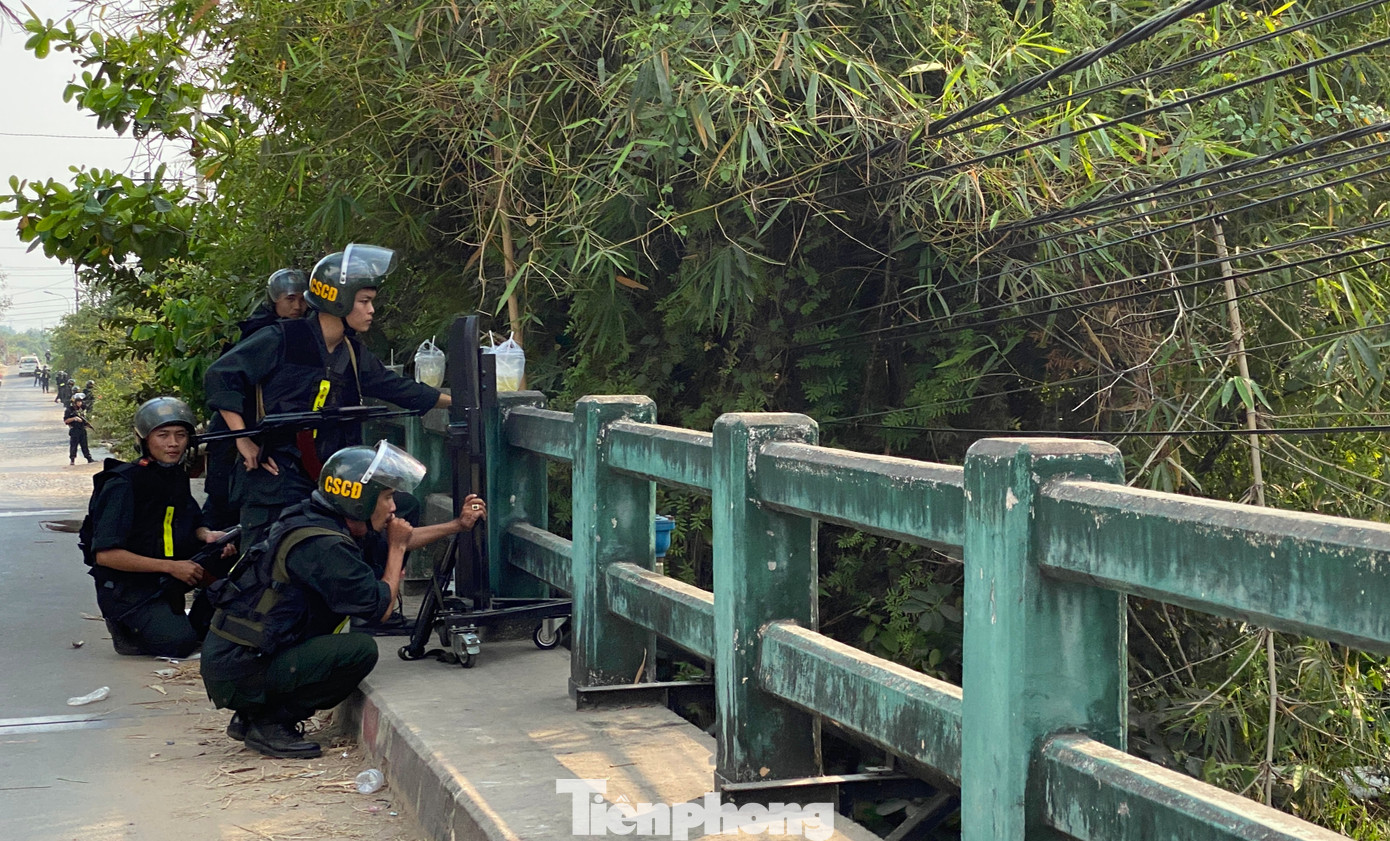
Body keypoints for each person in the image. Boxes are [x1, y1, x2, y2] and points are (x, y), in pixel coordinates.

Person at [201, 441, 486, 758]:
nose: (393, 507)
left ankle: (251, 713)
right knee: (357, 651)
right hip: (240, 668)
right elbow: (381, 608)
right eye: (386, 497)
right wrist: (396, 552)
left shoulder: (322, 519)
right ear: (359, 500)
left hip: (240, 657)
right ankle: (270, 722)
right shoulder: (325, 547)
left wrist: (457, 526)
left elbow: (400, 538)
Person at [204, 244, 451, 547]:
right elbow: (221, 375)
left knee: (397, 510)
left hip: (324, 475)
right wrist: (243, 438)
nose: (371, 310)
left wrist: (454, 401)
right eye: (364, 301)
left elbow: (393, 386)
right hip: (274, 472)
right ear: (340, 302)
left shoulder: (351, 351)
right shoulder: (282, 337)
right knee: (266, 563)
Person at [86, 398, 233, 657]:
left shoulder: (173, 475)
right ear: (143, 439)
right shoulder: (122, 484)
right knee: (179, 645)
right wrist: (171, 567)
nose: (173, 443)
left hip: (167, 577)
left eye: (181, 435)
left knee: (228, 559)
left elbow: (191, 521)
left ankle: (179, 619)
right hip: (129, 588)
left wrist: (208, 536)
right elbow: (105, 555)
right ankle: (125, 625)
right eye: (163, 435)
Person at [202, 268, 311, 530]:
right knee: (222, 509)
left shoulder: (304, 331)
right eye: (290, 299)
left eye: (302, 299)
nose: (297, 306)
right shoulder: (263, 333)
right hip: (235, 432)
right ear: (275, 300)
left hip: (267, 440)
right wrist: (242, 437)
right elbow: (221, 377)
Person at [65, 392, 95, 464]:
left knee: (84, 445)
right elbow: (66, 420)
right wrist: (74, 418)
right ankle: (72, 460)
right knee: (74, 445)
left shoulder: (82, 409)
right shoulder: (69, 410)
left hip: (82, 429)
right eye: (78, 401)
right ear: (74, 402)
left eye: (81, 401)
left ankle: (89, 459)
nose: (80, 403)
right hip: (74, 430)